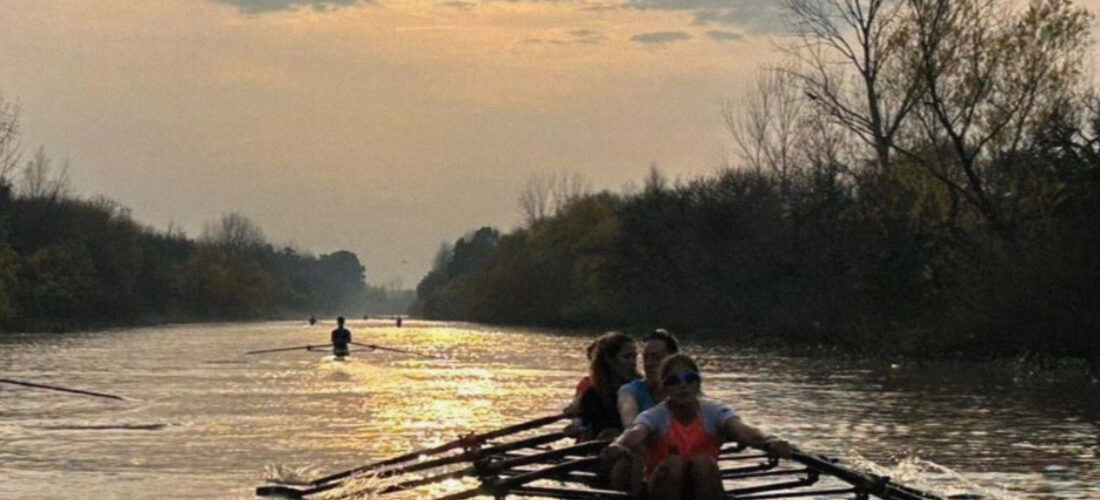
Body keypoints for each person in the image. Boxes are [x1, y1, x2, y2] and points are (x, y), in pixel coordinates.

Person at [601, 354, 795, 500]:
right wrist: (619, 445)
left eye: (689, 379)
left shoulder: (715, 411)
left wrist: (770, 441)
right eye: (674, 381)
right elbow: (635, 432)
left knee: (704, 464)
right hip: (663, 488)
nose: (683, 386)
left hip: (703, 485)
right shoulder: (655, 415)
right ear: (665, 388)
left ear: (698, 384)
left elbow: (743, 431)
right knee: (674, 464)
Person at [577, 331, 641, 441]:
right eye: (626, 357)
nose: (633, 362)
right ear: (609, 360)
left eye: (634, 357)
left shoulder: (643, 388)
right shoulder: (592, 396)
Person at [618, 328, 680, 428]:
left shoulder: (686, 389)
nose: (649, 364)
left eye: (656, 358)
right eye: (646, 358)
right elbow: (629, 421)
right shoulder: (630, 391)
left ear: (674, 361)